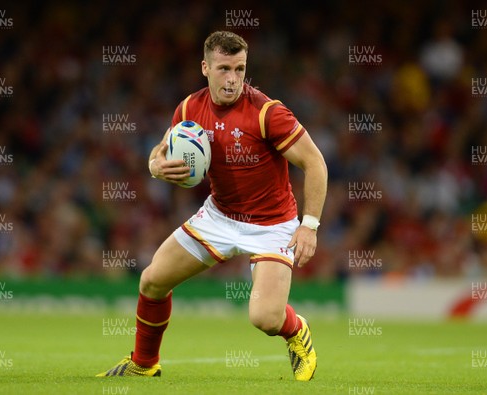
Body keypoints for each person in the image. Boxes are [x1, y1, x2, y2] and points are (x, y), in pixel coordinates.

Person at [97, 31, 327, 381]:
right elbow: (161, 150)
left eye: (239, 69)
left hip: (271, 224)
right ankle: (144, 364)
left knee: (265, 318)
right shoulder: (190, 108)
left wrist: (308, 225)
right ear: (205, 67)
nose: (232, 79)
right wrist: (154, 165)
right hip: (219, 216)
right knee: (152, 281)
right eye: (224, 68)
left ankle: (297, 332)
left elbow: (315, 163)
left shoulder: (267, 113)